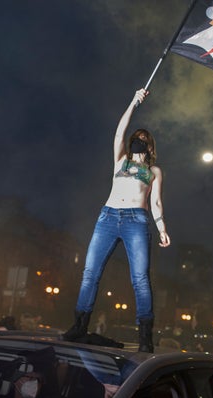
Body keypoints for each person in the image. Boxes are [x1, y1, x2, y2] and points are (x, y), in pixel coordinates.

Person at [62, 88, 171, 353]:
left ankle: (145, 336)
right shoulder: (120, 161)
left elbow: (155, 201)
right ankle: (79, 325)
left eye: (144, 139)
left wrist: (162, 228)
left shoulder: (153, 170)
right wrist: (134, 102)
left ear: (149, 145)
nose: (138, 140)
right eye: (137, 137)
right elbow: (119, 132)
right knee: (90, 272)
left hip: (137, 220)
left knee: (140, 278)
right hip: (108, 217)